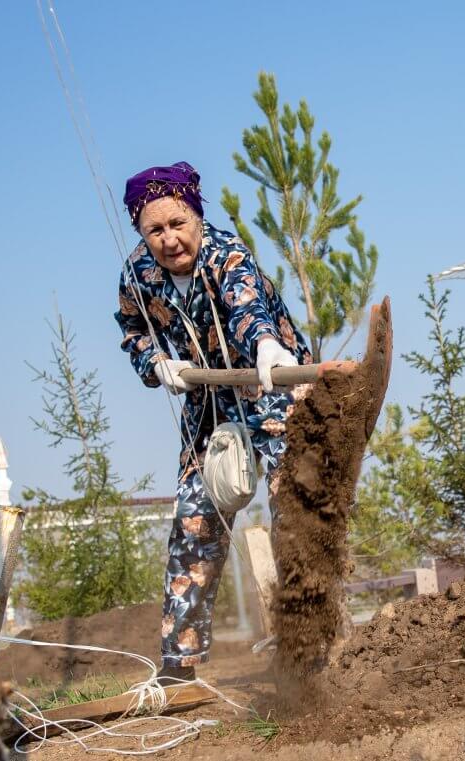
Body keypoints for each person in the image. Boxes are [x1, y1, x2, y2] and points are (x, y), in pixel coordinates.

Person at [114, 162, 311, 682]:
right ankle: (179, 665)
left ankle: (310, 641)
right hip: (207, 396)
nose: (170, 239)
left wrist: (269, 346)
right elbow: (132, 331)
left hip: (271, 379)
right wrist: (156, 365)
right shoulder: (139, 274)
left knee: (294, 498)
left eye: (178, 224)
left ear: (197, 216)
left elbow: (247, 308)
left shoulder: (228, 256)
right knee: (194, 513)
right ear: (140, 230)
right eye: (155, 230)